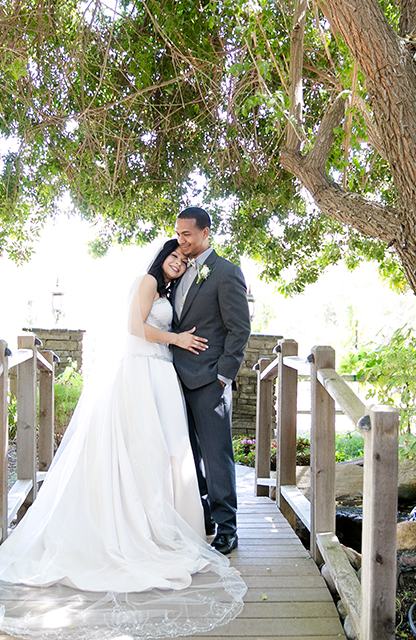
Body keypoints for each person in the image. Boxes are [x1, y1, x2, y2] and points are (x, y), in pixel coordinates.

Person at [0, 239, 246, 640]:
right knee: (139, 446)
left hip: (164, 374)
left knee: (164, 450)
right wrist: (177, 340)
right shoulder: (146, 282)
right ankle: (134, 523)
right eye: (171, 256)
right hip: (140, 371)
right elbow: (134, 328)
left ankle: (171, 519)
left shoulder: (178, 287)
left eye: (181, 257)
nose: (177, 261)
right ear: (160, 258)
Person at [171, 207, 251, 555]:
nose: (181, 240)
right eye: (178, 233)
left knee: (217, 456)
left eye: (187, 234)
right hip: (173, 380)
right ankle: (200, 515)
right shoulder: (173, 272)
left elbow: (239, 330)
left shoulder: (227, 273)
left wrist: (223, 377)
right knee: (186, 453)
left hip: (209, 381)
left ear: (206, 233)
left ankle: (227, 527)